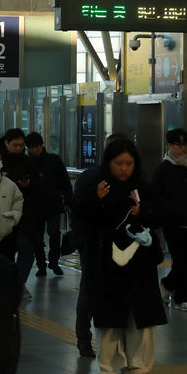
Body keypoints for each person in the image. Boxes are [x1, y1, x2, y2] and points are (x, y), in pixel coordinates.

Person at [73, 137, 167, 374]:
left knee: (141, 319)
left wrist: (142, 211)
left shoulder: (143, 187)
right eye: (118, 163)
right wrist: (97, 200)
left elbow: (160, 214)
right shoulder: (95, 182)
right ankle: (109, 370)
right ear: (109, 163)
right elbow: (79, 213)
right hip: (106, 264)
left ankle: (139, 367)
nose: (124, 168)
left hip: (139, 264)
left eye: (129, 163)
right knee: (109, 319)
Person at [70, 133, 129, 358]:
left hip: (120, 244)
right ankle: (84, 338)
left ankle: (117, 338)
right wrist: (81, 241)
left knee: (116, 290)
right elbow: (78, 209)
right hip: (93, 243)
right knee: (89, 288)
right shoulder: (92, 177)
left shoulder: (129, 179)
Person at [151, 128, 187, 312]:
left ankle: (167, 285)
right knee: (180, 259)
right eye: (179, 144)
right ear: (170, 145)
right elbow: (156, 196)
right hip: (173, 223)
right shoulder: (163, 169)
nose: (183, 148)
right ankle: (183, 298)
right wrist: (169, 212)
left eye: (185, 144)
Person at [0, 128, 40, 297]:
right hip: (1, 215)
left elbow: (38, 184)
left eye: (21, 146)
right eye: (15, 145)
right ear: (6, 143)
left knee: (27, 251)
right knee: (4, 254)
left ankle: (17, 284)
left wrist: (28, 185)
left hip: (23, 217)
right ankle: (5, 285)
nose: (18, 149)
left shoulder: (28, 162)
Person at [26, 132, 72, 277]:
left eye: (37, 147)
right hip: (34, 206)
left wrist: (68, 200)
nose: (35, 150)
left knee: (54, 234)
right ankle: (41, 265)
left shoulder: (54, 160)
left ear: (42, 145)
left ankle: (54, 262)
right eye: (32, 148)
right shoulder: (27, 163)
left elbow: (64, 181)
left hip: (53, 204)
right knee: (37, 237)